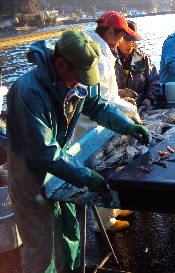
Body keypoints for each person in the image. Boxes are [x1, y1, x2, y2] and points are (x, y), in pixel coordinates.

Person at [6, 30, 149, 273]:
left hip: (61, 171)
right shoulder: (27, 91)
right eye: (78, 75)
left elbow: (95, 104)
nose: (81, 81)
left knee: (69, 235)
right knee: (42, 252)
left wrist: (126, 124)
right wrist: (86, 176)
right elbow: (43, 151)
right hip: (31, 179)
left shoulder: (75, 79)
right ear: (60, 63)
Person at [73, 11, 142, 232]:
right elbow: (102, 99)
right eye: (122, 35)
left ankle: (112, 209)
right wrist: (131, 111)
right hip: (89, 126)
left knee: (109, 167)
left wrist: (120, 98)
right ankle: (103, 223)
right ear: (111, 31)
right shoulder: (98, 57)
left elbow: (106, 93)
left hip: (98, 121)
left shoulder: (101, 48)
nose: (124, 41)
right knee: (99, 169)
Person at [114, 20, 160, 110]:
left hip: (140, 107)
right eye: (127, 40)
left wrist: (149, 99)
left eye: (133, 40)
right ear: (119, 39)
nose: (131, 44)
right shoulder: (109, 59)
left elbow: (154, 80)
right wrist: (119, 94)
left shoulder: (143, 58)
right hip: (116, 108)